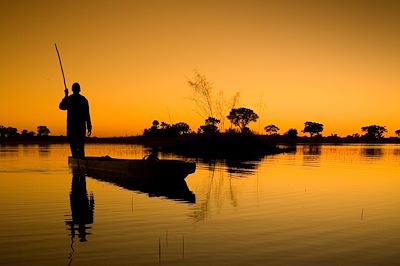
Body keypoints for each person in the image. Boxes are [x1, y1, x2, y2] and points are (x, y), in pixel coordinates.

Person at [59, 82, 92, 158]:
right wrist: (66, 96)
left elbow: (87, 114)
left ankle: (79, 161)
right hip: (72, 128)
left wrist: (89, 126)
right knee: (76, 148)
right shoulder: (70, 99)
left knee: (78, 148)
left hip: (78, 128)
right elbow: (61, 106)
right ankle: (78, 162)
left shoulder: (82, 100)